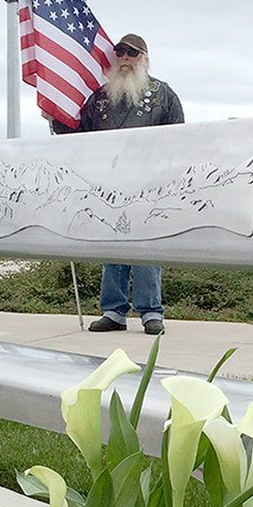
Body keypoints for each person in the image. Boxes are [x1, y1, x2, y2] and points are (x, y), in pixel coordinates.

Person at [54, 33, 184, 336]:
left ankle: (151, 311)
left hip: (149, 186)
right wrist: (55, 117)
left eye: (132, 53)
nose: (125, 59)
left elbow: (179, 141)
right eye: (120, 53)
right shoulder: (100, 98)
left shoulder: (164, 95)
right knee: (111, 248)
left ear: (145, 58)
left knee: (145, 250)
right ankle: (113, 311)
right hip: (107, 185)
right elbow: (78, 133)